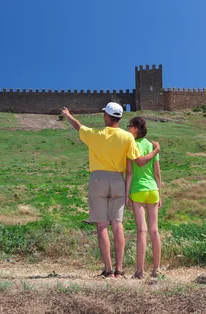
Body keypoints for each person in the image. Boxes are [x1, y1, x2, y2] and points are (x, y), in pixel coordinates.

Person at [61, 103, 160, 278]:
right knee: (118, 224)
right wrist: (156, 150)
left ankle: (108, 270)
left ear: (107, 116)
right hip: (117, 180)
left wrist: (68, 115)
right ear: (120, 118)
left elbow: (78, 126)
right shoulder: (127, 137)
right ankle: (120, 270)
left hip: (98, 179)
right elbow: (139, 160)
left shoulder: (96, 134)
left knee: (101, 226)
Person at [125, 116, 162, 279]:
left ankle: (140, 271)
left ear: (135, 128)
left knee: (142, 230)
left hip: (138, 190)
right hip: (153, 189)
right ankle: (157, 269)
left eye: (129, 126)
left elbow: (130, 173)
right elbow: (157, 173)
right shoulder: (152, 145)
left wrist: (127, 195)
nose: (127, 129)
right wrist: (160, 193)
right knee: (154, 230)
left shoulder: (131, 146)